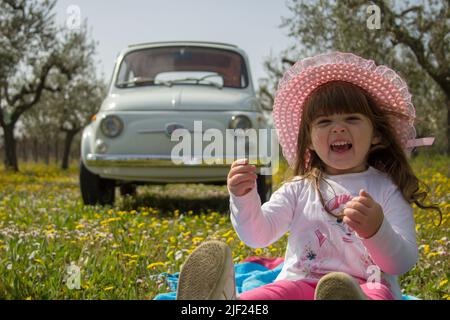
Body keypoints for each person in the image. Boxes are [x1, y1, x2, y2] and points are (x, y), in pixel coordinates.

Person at [176, 52, 440, 300]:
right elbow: (258, 236)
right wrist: (244, 197)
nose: (338, 128)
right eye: (324, 122)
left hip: (366, 286)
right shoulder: (299, 188)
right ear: (310, 141)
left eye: (351, 118)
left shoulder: (386, 189)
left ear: (377, 135)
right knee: (270, 295)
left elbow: (403, 261)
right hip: (300, 283)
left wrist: (377, 230)